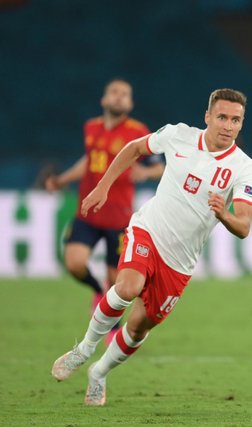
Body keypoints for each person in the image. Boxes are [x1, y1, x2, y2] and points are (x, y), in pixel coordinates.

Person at [51, 89, 252, 406]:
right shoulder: (178, 135)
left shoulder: (243, 167)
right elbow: (134, 149)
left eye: (235, 120)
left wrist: (224, 213)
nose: (228, 126)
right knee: (128, 286)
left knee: (137, 327)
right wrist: (103, 185)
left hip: (180, 262)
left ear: (241, 124)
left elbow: (243, 225)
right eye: (222, 117)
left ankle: (99, 373)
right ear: (207, 117)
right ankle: (85, 348)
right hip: (148, 230)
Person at [45, 78, 165, 344]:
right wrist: (62, 180)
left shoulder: (138, 130)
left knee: (118, 283)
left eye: (125, 94)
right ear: (105, 99)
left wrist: (145, 171)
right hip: (88, 213)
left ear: (130, 103)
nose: (119, 97)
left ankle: (112, 327)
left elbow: (161, 167)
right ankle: (96, 289)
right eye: (115, 92)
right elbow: (89, 161)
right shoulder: (91, 127)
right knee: (74, 263)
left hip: (119, 220)